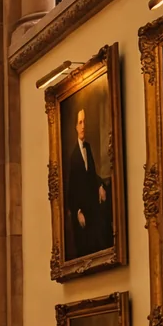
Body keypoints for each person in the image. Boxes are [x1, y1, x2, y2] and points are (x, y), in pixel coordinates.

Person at [64, 104, 111, 255]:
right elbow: (71, 189)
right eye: (80, 123)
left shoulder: (88, 148)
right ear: (75, 127)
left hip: (92, 207)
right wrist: (77, 212)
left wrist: (100, 185)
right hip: (82, 211)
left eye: (84, 122)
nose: (83, 126)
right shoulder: (73, 157)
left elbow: (92, 174)